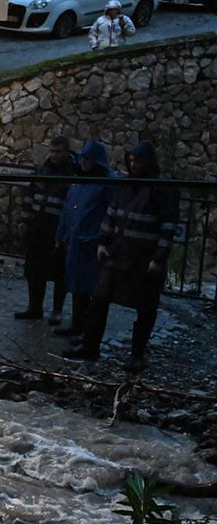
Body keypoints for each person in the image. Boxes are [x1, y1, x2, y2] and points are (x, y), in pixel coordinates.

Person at [63, 141, 179, 372]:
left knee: (145, 308)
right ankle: (90, 346)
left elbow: (168, 226)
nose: (134, 165)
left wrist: (158, 258)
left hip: (143, 258)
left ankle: (137, 355)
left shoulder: (161, 188)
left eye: (137, 161)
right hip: (118, 253)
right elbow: (112, 213)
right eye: (131, 160)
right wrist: (103, 242)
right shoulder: (125, 185)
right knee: (99, 301)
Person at [53, 139, 116, 340]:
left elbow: (110, 212)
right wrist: (60, 234)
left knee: (90, 288)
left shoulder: (107, 182)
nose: (85, 163)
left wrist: (103, 239)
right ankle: (76, 324)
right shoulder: (81, 179)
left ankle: (86, 330)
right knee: (76, 284)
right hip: (75, 240)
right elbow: (67, 208)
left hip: (91, 242)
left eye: (88, 159)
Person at [16, 137, 76, 323]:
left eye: (58, 152)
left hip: (58, 229)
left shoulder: (73, 175)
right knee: (34, 270)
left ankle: (57, 310)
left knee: (59, 272)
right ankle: (34, 307)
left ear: (66, 152)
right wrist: (24, 220)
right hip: (38, 227)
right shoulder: (41, 171)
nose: (54, 155)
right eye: (52, 151)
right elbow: (30, 197)